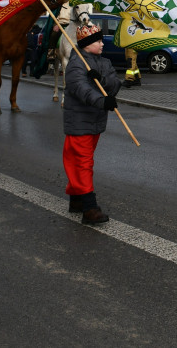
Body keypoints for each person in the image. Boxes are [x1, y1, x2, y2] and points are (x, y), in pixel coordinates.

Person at [63, 22, 124, 225]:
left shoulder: (104, 62)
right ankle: (89, 207)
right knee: (82, 162)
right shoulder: (76, 64)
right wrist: (102, 101)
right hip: (79, 121)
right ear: (86, 44)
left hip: (95, 121)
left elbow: (114, 84)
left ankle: (76, 199)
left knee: (78, 161)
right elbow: (81, 89)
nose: (102, 43)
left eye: (101, 39)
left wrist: (103, 81)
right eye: (98, 41)